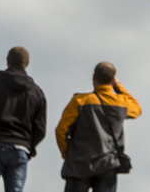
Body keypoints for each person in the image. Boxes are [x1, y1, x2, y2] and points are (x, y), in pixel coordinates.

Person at [55, 61, 141, 192]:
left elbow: (61, 130)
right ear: (112, 80)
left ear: (93, 77)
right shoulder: (122, 103)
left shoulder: (79, 101)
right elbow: (137, 108)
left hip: (79, 163)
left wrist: (67, 154)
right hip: (108, 164)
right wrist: (118, 86)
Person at [0, 46, 46, 192]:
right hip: (20, 149)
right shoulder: (37, 92)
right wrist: (28, 148)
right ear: (27, 63)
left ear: (7, 62)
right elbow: (40, 128)